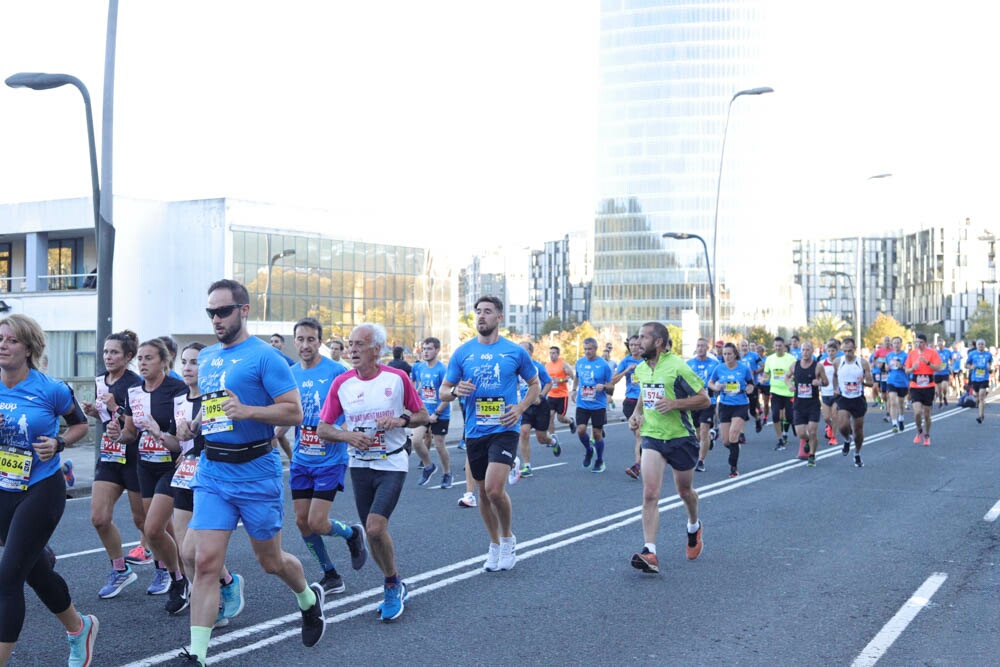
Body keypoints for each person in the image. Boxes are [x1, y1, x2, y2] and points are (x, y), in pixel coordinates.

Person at [180, 279, 325, 666]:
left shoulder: (266, 357)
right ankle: (196, 655)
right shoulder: (209, 357)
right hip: (213, 471)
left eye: (223, 311)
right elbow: (215, 404)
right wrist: (194, 424)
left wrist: (248, 412)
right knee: (206, 561)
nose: (216, 319)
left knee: (270, 561)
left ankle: (308, 599)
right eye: (210, 312)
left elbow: (294, 412)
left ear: (243, 311)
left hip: (257, 471)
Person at [0, 314, 98, 667]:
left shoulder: (51, 388)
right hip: (2, 489)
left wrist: (58, 443)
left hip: (41, 487)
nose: (2, 345)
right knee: (34, 571)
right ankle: (79, 627)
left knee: (7, 575)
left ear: (27, 348)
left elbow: (80, 426)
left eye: (10, 340)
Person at [317, 322, 427, 622]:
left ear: (377, 349)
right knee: (371, 532)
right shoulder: (342, 384)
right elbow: (323, 428)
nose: (352, 350)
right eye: (350, 344)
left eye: (359, 345)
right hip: (360, 464)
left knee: (376, 528)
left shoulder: (398, 377)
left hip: (391, 461)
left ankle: (391, 584)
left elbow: (422, 416)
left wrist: (401, 421)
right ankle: (394, 579)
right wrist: (349, 436)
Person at [440, 296, 539, 573]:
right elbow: (444, 391)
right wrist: (455, 391)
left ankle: (508, 538)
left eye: (487, 312)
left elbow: (534, 385)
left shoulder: (514, 352)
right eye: (478, 312)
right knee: (483, 493)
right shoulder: (463, 353)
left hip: (504, 428)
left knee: (495, 489)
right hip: (475, 431)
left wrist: (519, 408)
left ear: (499, 318)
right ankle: (494, 544)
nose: (481, 316)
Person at [277, 318, 366, 595]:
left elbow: (353, 411)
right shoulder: (289, 374)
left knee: (317, 522)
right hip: (303, 460)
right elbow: (286, 415)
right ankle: (331, 574)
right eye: (300, 339)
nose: (305, 345)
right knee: (302, 521)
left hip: (330, 459)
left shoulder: (337, 372)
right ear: (295, 342)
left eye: (311, 339)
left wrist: (349, 434)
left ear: (320, 342)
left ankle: (352, 534)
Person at [108, 338, 190, 612]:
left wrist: (159, 431)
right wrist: (118, 435)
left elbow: (181, 437)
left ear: (164, 361)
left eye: (148, 358)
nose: (142, 363)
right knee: (153, 530)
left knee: (154, 528)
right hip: (145, 465)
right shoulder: (134, 391)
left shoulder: (177, 389)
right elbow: (131, 433)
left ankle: (180, 579)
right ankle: (180, 575)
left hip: (171, 465)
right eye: (140, 359)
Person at [171, 343, 245, 629]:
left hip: (209, 474)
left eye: (195, 363)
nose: (188, 367)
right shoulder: (178, 398)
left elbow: (220, 436)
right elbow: (177, 437)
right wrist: (175, 437)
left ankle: (226, 583)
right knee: (184, 552)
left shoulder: (217, 397)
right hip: (183, 473)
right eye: (185, 362)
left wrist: (196, 442)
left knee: (194, 551)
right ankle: (211, 603)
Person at [628, 321, 708, 574]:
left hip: (681, 437)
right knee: (650, 493)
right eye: (638, 338)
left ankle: (694, 526)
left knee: (685, 492)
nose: (637, 342)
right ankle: (650, 551)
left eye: (643, 337)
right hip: (652, 436)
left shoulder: (677, 367)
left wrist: (674, 404)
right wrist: (636, 413)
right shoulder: (641, 368)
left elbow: (704, 398)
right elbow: (644, 393)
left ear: (658, 342)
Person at [81, 330, 152, 599]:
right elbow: (107, 421)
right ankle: (120, 569)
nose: (108, 357)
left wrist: (116, 408)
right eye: (106, 352)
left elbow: (137, 424)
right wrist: (95, 411)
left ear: (128, 356)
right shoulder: (101, 381)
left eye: (114, 353)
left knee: (144, 521)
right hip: (110, 456)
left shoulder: (136, 384)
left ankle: (168, 569)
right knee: (99, 518)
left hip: (134, 457)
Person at [410, 337, 453, 488]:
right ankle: (429, 466)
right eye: (424, 349)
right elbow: (421, 386)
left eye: (429, 349)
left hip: (440, 413)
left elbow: (449, 395)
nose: (425, 352)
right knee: (415, 441)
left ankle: (447, 474)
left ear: (437, 350)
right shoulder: (420, 367)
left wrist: (437, 413)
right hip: (423, 412)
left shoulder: (443, 369)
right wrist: (414, 400)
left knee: (440, 445)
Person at [707, 342, 753, 478]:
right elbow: (710, 382)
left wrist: (750, 388)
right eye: (725, 354)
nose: (727, 357)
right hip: (725, 405)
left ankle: (733, 468)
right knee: (726, 441)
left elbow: (751, 384)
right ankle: (734, 446)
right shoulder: (719, 368)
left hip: (740, 404)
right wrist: (716, 388)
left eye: (730, 354)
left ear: (735, 355)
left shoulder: (743, 369)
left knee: (734, 434)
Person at [572, 337, 614, 473]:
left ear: (595, 349)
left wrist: (604, 387)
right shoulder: (580, 362)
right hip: (582, 402)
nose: (587, 352)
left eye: (589, 349)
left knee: (597, 433)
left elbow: (611, 386)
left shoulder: (603, 365)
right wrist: (573, 390)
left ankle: (600, 460)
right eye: (585, 349)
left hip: (598, 404)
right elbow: (577, 377)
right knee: (581, 430)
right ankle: (589, 450)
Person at [832, 337, 875, 467]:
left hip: (858, 399)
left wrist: (863, 382)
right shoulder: (838, 362)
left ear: (855, 350)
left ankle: (857, 453)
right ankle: (846, 439)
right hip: (844, 398)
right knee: (843, 426)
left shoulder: (862, 363)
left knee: (858, 430)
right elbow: (834, 375)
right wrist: (835, 388)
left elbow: (871, 383)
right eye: (845, 351)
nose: (847, 354)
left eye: (850, 351)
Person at [515, 341, 554, 479]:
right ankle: (527, 465)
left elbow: (549, 382)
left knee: (541, 438)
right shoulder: (516, 368)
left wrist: (541, 396)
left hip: (540, 405)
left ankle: (552, 441)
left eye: (524, 350)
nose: (521, 353)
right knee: (523, 432)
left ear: (531, 352)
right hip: (525, 405)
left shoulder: (538, 367)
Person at [785, 340, 827, 466]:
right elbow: (786, 377)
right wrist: (789, 385)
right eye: (803, 350)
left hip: (813, 404)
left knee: (813, 431)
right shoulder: (795, 365)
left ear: (812, 351)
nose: (805, 352)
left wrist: (819, 382)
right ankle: (808, 440)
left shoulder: (818, 366)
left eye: (808, 350)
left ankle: (812, 455)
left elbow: (826, 382)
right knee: (801, 433)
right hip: (799, 404)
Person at [686, 337, 719, 474]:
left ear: (707, 347)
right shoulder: (688, 364)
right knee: (698, 434)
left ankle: (701, 461)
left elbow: (719, 379)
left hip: (708, 401)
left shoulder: (715, 364)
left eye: (702, 346)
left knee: (704, 430)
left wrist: (715, 388)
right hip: (693, 402)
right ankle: (709, 440)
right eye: (698, 345)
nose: (700, 348)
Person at [905, 333, 944, 446]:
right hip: (915, 386)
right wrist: (913, 368)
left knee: (927, 414)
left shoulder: (932, 353)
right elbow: (906, 370)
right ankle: (919, 431)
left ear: (925, 343)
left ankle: (927, 435)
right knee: (917, 412)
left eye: (921, 342)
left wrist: (927, 363)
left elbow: (939, 368)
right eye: (916, 342)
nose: (918, 344)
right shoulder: (912, 354)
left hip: (928, 386)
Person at [617, 335, 645, 478]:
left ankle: (638, 466)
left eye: (637, 345)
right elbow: (612, 380)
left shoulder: (647, 360)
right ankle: (645, 461)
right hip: (630, 402)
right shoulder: (626, 361)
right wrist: (626, 371)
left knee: (640, 435)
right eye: (632, 345)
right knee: (638, 436)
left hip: (646, 402)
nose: (634, 348)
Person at [763, 337, 796, 449]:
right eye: (776, 346)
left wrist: (793, 385)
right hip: (775, 391)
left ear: (784, 347)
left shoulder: (791, 359)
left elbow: (795, 374)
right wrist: (764, 379)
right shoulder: (769, 359)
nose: (777, 348)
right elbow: (767, 373)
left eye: (780, 346)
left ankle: (793, 425)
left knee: (789, 416)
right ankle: (780, 438)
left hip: (788, 392)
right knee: (776, 415)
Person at [545, 346, 576, 441]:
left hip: (562, 395)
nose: (552, 355)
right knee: (550, 416)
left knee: (560, 418)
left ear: (558, 354)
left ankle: (571, 421)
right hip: (551, 395)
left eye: (554, 353)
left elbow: (572, 377)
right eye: (550, 353)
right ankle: (553, 437)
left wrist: (561, 380)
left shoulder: (563, 364)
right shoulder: (547, 365)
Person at [885, 336, 910, 432]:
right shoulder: (889, 355)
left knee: (900, 403)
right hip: (891, 381)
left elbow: (908, 369)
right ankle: (894, 423)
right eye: (894, 343)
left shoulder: (905, 355)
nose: (896, 345)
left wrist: (901, 366)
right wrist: (886, 368)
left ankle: (901, 418)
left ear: (901, 344)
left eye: (898, 343)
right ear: (892, 344)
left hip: (902, 382)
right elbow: (887, 367)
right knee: (892, 401)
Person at [966, 338, 993, 424]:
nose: (981, 345)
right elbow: (966, 364)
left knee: (981, 396)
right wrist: (970, 367)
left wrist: (989, 367)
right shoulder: (972, 354)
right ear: (977, 345)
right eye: (979, 344)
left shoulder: (988, 354)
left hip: (984, 378)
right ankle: (981, 411)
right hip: (975, 378)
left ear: (984, 345)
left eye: (982, 344)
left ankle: (980, 416)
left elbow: (990, 363)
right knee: (976, 396)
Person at [819, 340, 841, 446]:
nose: (831, 352)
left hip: (836, 393)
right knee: (826, 417)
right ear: (826, 351)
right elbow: (817, 376)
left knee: (834, 415)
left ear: (837, 351)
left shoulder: (840, 362)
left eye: (833, 350)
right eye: (829, 350)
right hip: (825, 393)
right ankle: (831, 427)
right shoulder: (822, 363)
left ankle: (833, 437)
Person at [934, 340, 953, 408]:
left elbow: (952, 359)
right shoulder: (935, 352)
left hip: (945, 372)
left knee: (944, 386)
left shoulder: (948, 351)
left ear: (944, 345)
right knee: (939, 390)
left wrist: (951, 363)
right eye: (939, 345)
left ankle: (945, 396)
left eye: (941, 345)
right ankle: (941, 401)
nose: (940, 346)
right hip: (937, 372)